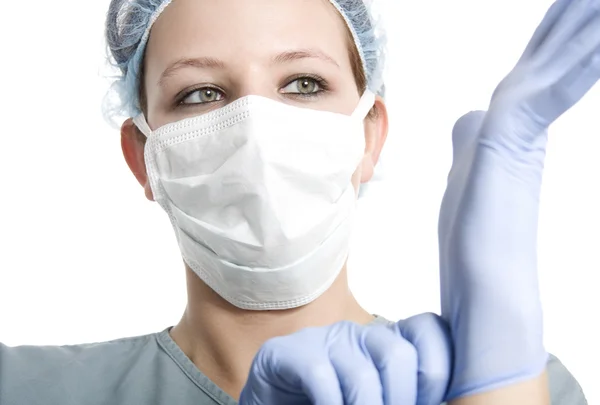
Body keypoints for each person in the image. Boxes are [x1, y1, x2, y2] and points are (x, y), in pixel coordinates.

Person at [0, 0, 596, 404]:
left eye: (303, 84)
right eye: (201, 93)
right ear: (142, 156)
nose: (256, 129)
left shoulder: (519, 385)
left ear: (369, 135)